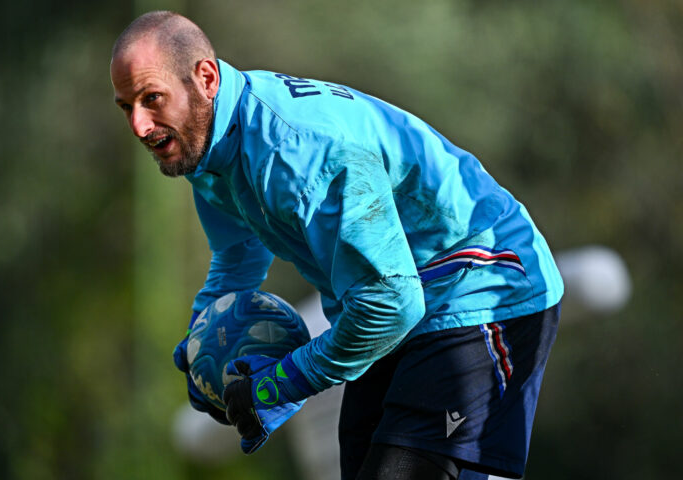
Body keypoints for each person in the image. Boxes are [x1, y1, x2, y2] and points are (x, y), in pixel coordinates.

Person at [110, 11, 563, 480]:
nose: (140, 126)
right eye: (126, 106)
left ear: (205, 78)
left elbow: (391, 302)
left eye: (152, 99)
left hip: (483, 284)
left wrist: (277, 385)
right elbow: (237, 254)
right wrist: (203, 342)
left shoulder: (298, 152)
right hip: (394, 305)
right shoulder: (211, 149)